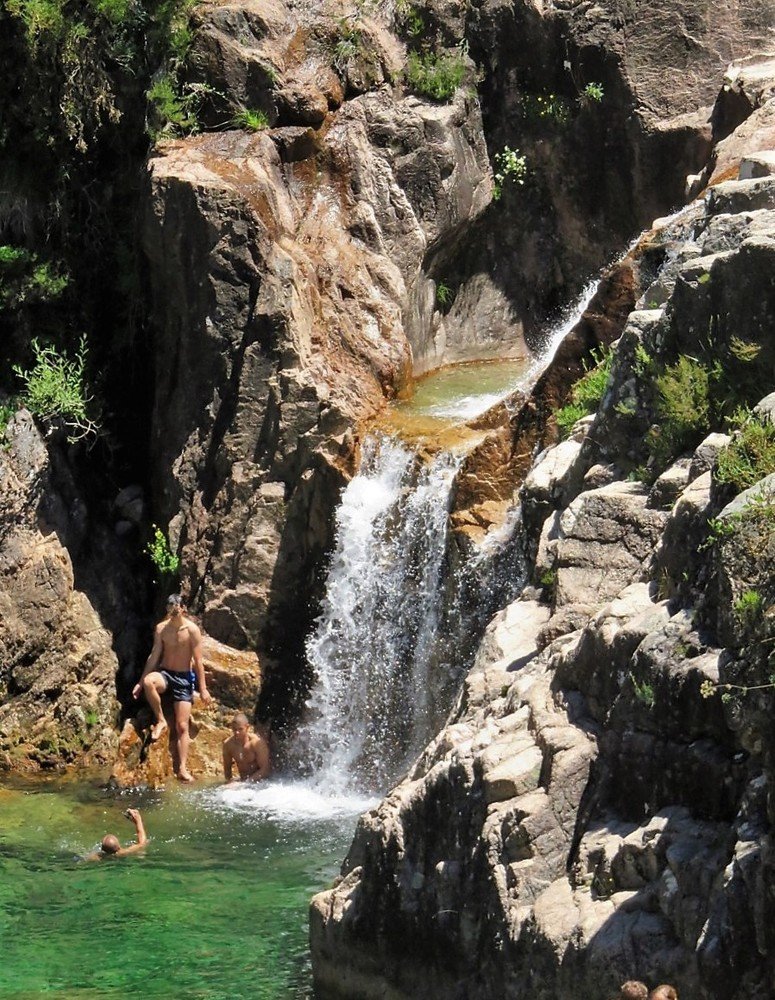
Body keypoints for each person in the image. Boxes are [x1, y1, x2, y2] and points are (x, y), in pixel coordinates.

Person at [132, 593, 212, 782]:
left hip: (184, 679)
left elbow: (198, 661)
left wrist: (203, 689)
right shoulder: (161, 629)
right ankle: (161, 720)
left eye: (176, 608)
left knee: (182, 725)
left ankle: (182, 768)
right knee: (149, 682)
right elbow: (154, 656)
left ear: (183, 609)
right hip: (166, 674)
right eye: (170, 608)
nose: (173, 612)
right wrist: (140, 682)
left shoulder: (192, 630)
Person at [223, 712, 271, 783]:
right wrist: (229, 783)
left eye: (240, 729)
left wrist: (245, 783)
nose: (237, 732)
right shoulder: (228, 745)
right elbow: (227, 770)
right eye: (234, 729)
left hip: (260, 782)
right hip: (243, 781)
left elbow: (265, 769)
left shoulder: (256, 743)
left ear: (247, 727)